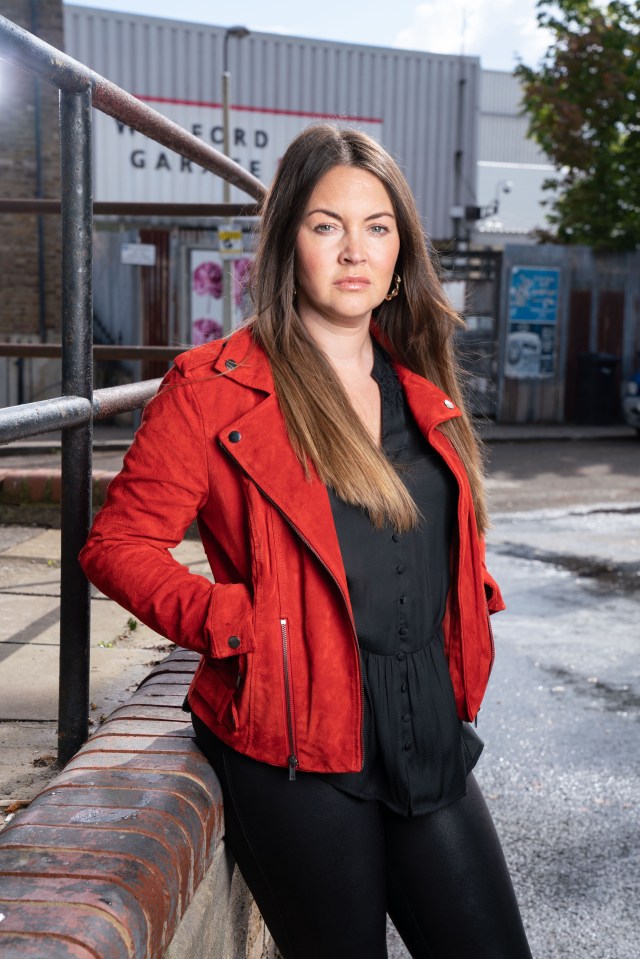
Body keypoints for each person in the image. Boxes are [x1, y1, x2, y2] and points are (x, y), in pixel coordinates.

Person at [79, 124, 533, 959]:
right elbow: (119, 543)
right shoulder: (212, 387)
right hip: (295, 742)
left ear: (401, 251)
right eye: (327, 225)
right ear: (290, 238)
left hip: (424, 724)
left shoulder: (422, 383)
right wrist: (236, 621)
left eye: (378, 226)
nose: (354, 250)